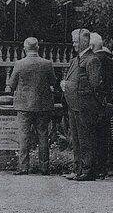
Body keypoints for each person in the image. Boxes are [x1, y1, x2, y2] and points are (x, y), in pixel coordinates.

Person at [7, 37, 56, 175]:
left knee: (24, 136)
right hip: (42, 105)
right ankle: (44, 168)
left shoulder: (19, 64)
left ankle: (23, 167)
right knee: (43, 136)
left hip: (24, 106)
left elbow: (11, 83)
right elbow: (53, 81)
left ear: (25, 48)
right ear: (38, 48)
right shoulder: (47, 63)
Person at [60, 28, 103, 180]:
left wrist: (69, 86)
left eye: (76, 42)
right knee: (76, 139)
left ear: (85, 42)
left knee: (86, 139)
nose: (74, 45)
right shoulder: (76, 60)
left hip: (85, 105)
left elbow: (95, 85)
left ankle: (87, 170)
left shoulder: (92, 60)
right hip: (74, 105)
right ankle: (77, 168)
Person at [90, 32, 113, 178]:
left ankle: (93, 167)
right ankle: (104, 167)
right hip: (107, 102)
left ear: (92, 46)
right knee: (104, 136)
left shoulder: (93, 60)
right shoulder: (111, 62)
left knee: (92, 136)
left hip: (95, 102)